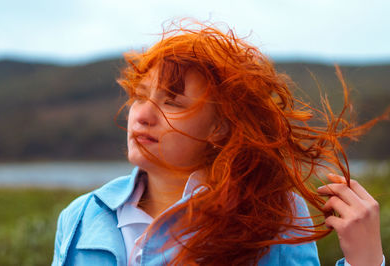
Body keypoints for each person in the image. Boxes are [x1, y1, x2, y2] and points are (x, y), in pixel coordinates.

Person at [52, 20, 386, 266]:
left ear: (220, 127)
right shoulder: (81, 216)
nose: (142, 116)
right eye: (139, 97)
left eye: (172, 102)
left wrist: (367, 259)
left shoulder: (273, 213)